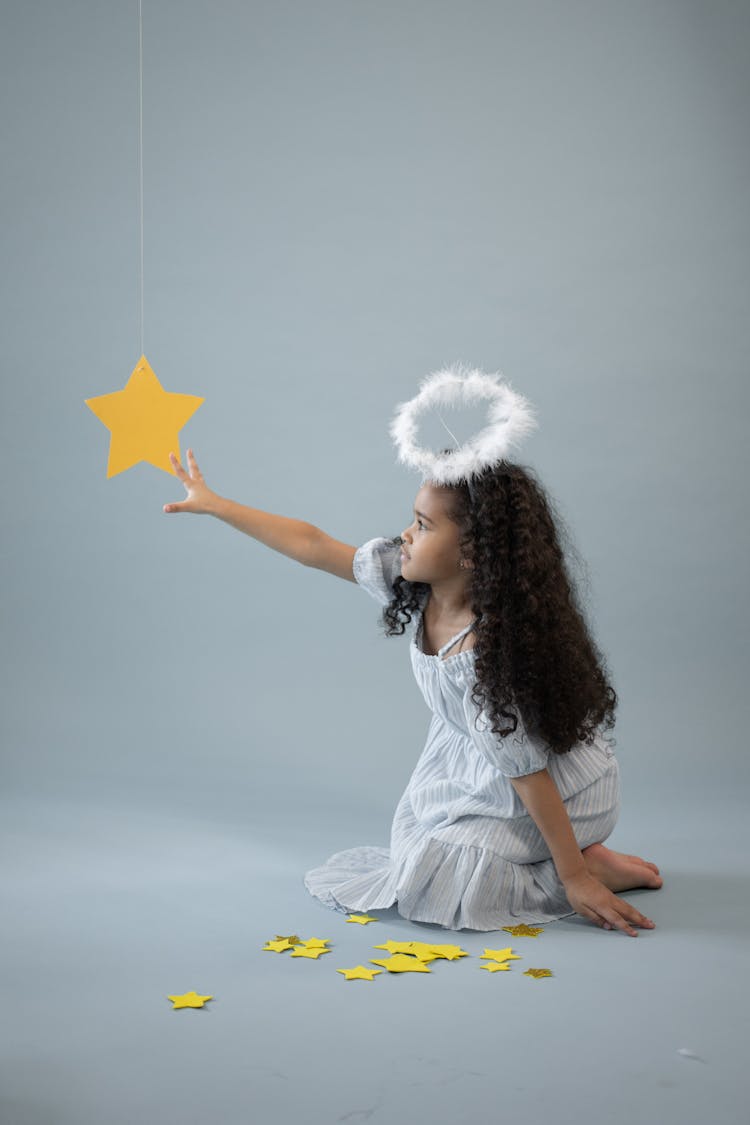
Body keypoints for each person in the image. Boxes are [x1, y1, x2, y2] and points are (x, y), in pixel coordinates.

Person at [164, 445, 662, 937]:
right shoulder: (413, 583)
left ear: (472, 553)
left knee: (441, 875)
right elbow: (312, 545)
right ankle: (577, 859)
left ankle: (585, 865)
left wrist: (571, 877)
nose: (405, 534)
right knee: (412, 852)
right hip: (474, 767)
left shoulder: (488, 655)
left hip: (562, 790)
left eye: (423, 526)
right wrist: (215, 504)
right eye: (413, 519)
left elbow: (529, 774)